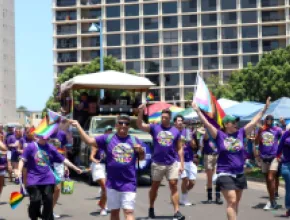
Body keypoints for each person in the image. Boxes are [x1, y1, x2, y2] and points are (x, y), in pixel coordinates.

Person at [191, 97, 270, 220]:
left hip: (239, 173)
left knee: (235, 203)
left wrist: (264, 109)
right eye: (233, 122)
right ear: (226, 124)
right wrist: (197, 111)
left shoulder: (241, 133)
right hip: (225, 173)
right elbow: (206, 123)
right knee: (232, 201)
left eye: (236, 122)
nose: (236, 124)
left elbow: (254, 122)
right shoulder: (219, 135)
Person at [70, 114, 145, 220]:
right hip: (112, 183)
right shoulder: (108, 138)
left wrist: (141, 151)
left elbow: (141, 158)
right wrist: (78, 126)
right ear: (116, 125)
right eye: (121, 123)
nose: (123, 125)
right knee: (114, 213)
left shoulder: (134, 140)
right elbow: (89, 141)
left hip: (129, 182)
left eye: (126, 123)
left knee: (128, 212)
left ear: (129, 126)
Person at [15, 135, 82, 220]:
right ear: (39, 136)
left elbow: (63, 159)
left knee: (48, 201)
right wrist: (19, 171)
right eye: (43, 136)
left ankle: (46, 218)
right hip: (33, 179)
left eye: (47, 137)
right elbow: (22, 160)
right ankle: (34, 216)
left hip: (48, 178)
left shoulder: (51, 148)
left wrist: (75, 168)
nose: (45, 138)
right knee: (35, 200)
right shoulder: (31, 146)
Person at [137, 106, 185, 220]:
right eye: (162, 117)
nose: (163, 119)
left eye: (166, 117)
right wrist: (140, 112)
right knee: (155, 187)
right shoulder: (155, 128)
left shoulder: (175, 131)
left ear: (170, 118)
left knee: (173, 185)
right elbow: (140, 125)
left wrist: (181, 164)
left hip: (171, 163)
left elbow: (179, 148)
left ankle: (177, 211)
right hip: (157, 163)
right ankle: (151, 208)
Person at [254, 114, 282, 210]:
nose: (269, 121)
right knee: (267, 180)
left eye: (271, 119)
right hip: (263, 157)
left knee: (271, 178)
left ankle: (271, 199)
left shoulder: (277, 130)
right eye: (267, 119)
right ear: (265, 120)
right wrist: (259, 132)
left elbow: (283, 138)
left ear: (273, 120)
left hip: (274, 157)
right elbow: (256, 142)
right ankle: (272, 200)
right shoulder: (261, 130)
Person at [173, 115, 198, 206]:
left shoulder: (187, 131)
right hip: (178, 159)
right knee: (185, 179)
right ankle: (184, 199)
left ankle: (182, 194)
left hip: (189, 159)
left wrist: (191, 139)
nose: (180, 122)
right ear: (175, 122)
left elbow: (194, 146)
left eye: (181, 121)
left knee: (192, 182)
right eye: (178, 120)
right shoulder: (172, 132)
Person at [49, 125, 70, 219]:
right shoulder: (46, 133)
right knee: (48, 188)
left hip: (59, 163)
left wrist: (66, 165)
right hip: (46, 163)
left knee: (57, 189)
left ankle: (50, 210)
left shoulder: (62, 134)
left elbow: (64, 149)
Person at [202, 131, 223, 205]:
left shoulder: (218, 136)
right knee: (210, 178)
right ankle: (209, 197)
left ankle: (218, 197)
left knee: (217, 178)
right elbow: (205, 136)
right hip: (209, 156)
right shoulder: (207, 135)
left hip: (217, 156)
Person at [90, 130, 108, 216]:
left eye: (110, 132)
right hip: (98, 166)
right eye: (107, 131)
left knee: (107, 188)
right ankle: (103, 207)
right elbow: (91, 157)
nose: (108, 133)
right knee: (105, 187)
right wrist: (95, 161)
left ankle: (102, 203)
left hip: (108, 167)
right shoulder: (97, 144)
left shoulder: (111, 145)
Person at [277, 124, 290, 217]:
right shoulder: (286, 135)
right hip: (286, 164)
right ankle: (289, 208)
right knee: (289, 188)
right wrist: (278, 156)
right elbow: (280, 146)